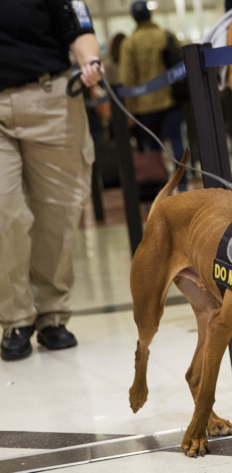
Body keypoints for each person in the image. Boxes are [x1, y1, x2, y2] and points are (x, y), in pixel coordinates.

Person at [0, 0, 102, 361]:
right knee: (5, 214)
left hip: (50, 102)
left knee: (56, 215)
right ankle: (15, 319)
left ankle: (52, 314)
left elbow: (77, 27)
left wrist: (89, 60)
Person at [120, 1, 186, 191]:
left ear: (133, 18)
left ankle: (162, 187)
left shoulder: (130, 43)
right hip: (170, 100)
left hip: (145, 105)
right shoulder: (165, 35)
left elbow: (128, 79)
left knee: (154, 147)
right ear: (151, 15)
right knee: (176, 141)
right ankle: (183, 185)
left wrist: (129, 111)